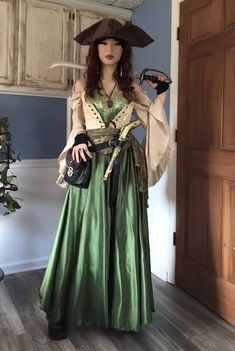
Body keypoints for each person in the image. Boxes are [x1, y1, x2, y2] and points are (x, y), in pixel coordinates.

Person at [40, 18, 173, 340]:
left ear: (123, 50)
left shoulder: (133, 88)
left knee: (122, 231)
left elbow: (152, 120)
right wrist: (81, 140)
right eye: (103, 43)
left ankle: (121, 309)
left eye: (115, 44)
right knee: (83, 231)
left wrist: (163, 95)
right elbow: (77, 124)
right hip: (92, 164)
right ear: (95, 49)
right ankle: (64, 309)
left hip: (125, 165)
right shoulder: (82, 85)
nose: (109, 49)